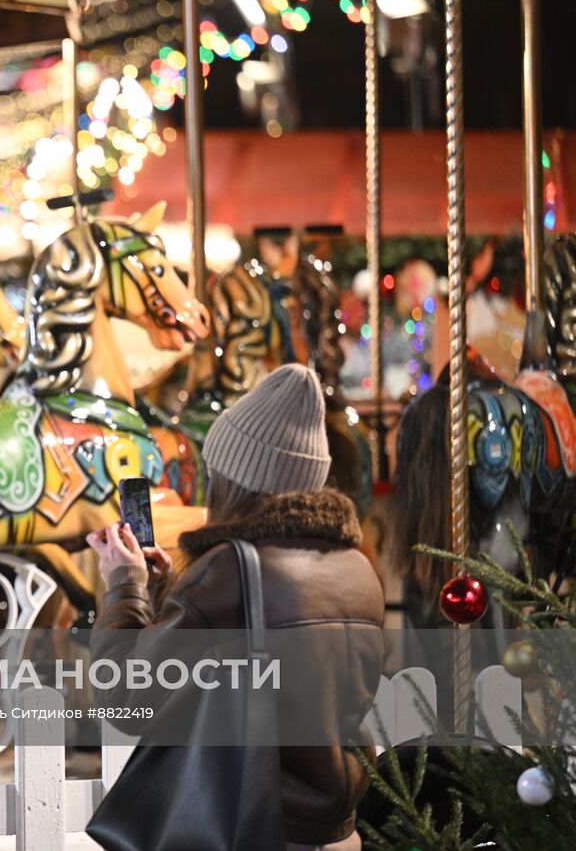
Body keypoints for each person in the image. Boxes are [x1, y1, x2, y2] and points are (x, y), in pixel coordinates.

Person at [88, 364, 384, 851]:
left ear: (235, 477)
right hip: (336, 831)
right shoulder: (356, 568)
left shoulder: (229, 570)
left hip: (252, 828)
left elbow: (127, 697)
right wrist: (172, 588)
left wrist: (124, 585)